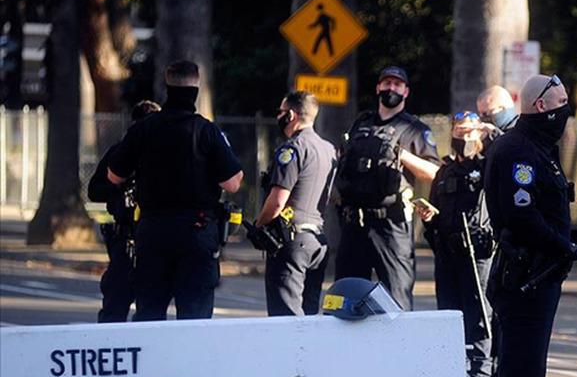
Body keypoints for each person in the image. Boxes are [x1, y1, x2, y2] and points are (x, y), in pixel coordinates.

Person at [480, 74, 577, 377]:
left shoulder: (538, 146)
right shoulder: (519, 149)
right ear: (541, 106)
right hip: (525, 279)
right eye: (561, 102)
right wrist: (563, 245)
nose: (567, 109)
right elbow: (521, 214)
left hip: (538, 275)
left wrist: (568, 234)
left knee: (515, 374)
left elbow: (541, 208)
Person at [107, 60, 244, 321]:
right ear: (197, 88)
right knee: (194, 316)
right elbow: (233, 183)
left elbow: (114, 175)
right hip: (196, 231)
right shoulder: (206, 131)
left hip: (153, 230)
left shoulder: (143, 129)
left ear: (166, 86)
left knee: (150, 313)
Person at [334, 65, 440, 311]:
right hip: (354, 225)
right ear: (378, 88)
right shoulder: (361, 124)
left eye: (397, 84)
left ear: (406, 91)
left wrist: (402, 156)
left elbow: (433, 173)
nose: (391, 88)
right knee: (345, 299)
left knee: (396, 301)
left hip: (390, 226)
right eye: (387, 83)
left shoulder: (415, 129)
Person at [420, 110, 494, 377]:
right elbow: (437, 212)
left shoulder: (488, 166)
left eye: (470, 131)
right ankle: (454, 374)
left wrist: (489, 131)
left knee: (479, 316)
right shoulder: (445, 171)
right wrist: (429, 217)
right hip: (448, 252)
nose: (464, 137)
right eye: (459, 131)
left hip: (477, 253)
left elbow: (503, 145)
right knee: (449, 315)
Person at [255, 91, 337, 316]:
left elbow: (278, 200)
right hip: (316, 242)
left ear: (291, 115)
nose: (279, 116)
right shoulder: (328, 149)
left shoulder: (292, 149)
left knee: (286, 319)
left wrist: (259, 226)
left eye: (281, 112)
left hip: (291, 242)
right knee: (308, 315)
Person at [87, 100, 160, 322]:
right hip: (126, 237)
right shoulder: (120, 153)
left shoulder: (162, 155)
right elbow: (95, 191)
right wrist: (119, 185)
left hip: (154, 235)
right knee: (116, 301)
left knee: (151, 306)